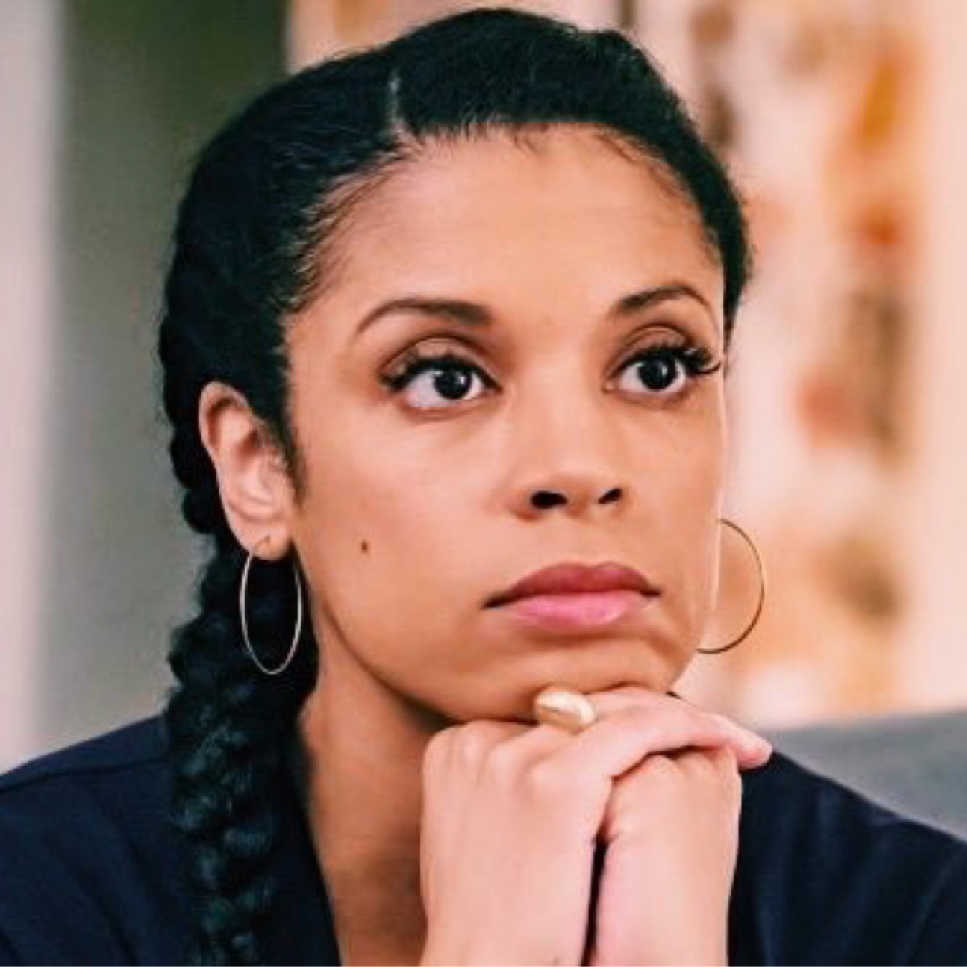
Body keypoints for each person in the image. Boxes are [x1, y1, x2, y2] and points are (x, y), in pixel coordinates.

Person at [1, 6, 966, 965]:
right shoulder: (37, 898)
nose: (577, 467)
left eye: (656, 367)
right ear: (258, 463)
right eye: (444, 378)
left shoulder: (915, 919)